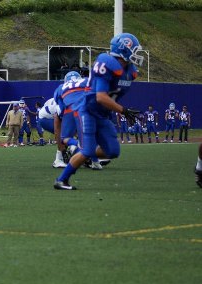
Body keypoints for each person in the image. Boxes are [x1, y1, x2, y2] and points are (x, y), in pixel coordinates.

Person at [54, 33, 143, 190]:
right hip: (87, 111)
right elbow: (101, 97)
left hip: (102, 114)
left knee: (113, 151)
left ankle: (81, 150)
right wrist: (124, 111)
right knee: (87, 150)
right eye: (134, 50)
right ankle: (62, 180)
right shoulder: (106, 64)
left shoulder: (130, 71)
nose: (136, 54)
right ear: (123, 50)